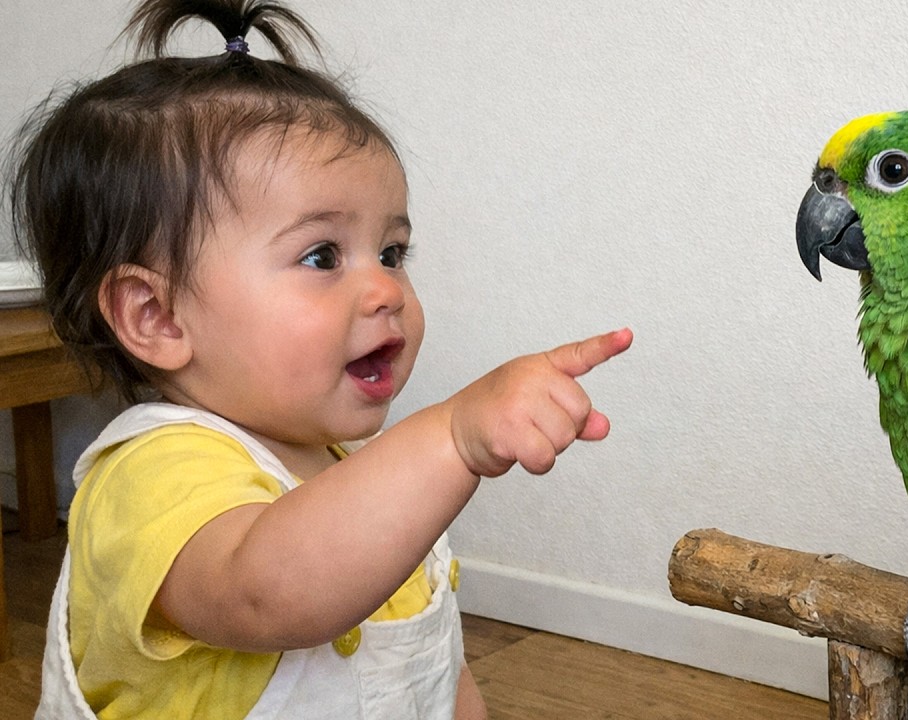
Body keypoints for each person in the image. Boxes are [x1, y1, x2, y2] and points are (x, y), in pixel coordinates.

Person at [9, 1, 632, 718]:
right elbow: (268, 591)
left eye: (392, 253)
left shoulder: (346, 470)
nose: (384, 290)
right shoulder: (149, 478)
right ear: (157, 316)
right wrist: (452, 435)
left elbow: (431, 661)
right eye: (321, 255)